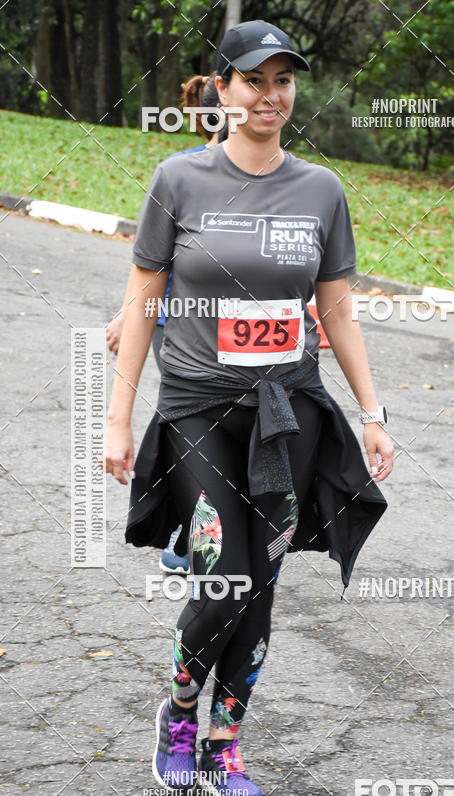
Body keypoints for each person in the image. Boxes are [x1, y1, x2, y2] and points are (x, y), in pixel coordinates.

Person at [104, 19, 392, 796]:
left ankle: (225, 745)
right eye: (256, 80)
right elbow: (143, 292)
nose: (272, 95)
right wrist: (117, 418)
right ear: (222, 90)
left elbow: (336, 309)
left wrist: (372, 412)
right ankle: (177, 715)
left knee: (258, 585)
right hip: (199, 408)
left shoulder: (321, 189)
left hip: (286, 414)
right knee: (223, 574)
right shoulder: (179, 180)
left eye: (284, 81)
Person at [107, 73, 225, 574]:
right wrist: (124, 315)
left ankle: (222, 519)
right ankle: (185, 524)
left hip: (233, 331)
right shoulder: (181, 171)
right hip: (172, 323)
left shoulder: (272, 177)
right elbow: (151, 267)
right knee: (192, 418)